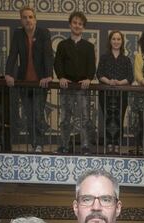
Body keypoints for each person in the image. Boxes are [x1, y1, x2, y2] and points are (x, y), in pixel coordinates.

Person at [5, 5, 55, 152]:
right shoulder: (18, 34)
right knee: (29, 114)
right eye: (25, 17)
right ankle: (34, 143)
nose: (28, 20)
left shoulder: (43, 33)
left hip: (40, 82)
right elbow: (13, 55)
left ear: (35, 19)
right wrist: (8, 73)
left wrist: (48, 75)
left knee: (38, 114)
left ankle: (39, 144)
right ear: (21, 20)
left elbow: (48, 55)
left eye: (30, 17)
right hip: (24, 82)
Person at [54, 11, 96, 154]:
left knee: (85, 118)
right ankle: (64, 146)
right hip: (67, 86)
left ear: (83, 27)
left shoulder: (89, 47)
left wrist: (89, 78)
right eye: (75, 23)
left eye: (80, 24)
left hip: (82, 87)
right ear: (70, 24)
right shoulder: (62, 45)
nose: (77, 26)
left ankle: (85, 146)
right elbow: (57, 63)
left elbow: (91, 65)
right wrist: (60, 77)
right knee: (65, 118)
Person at [96, 30, 133, 154]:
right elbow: (99, 74)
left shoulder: (126, 59)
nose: (116, 41)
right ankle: (108, 144)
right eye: (114, 39)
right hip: (106, 93)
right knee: (108, 118)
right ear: (110, 41)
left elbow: (130, 77)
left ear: (122, 42)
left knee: (119, 118)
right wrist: (109, 81)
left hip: (121, 94)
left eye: (118, 39)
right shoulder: (104, 57)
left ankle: (117, 144)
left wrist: (119, 83)